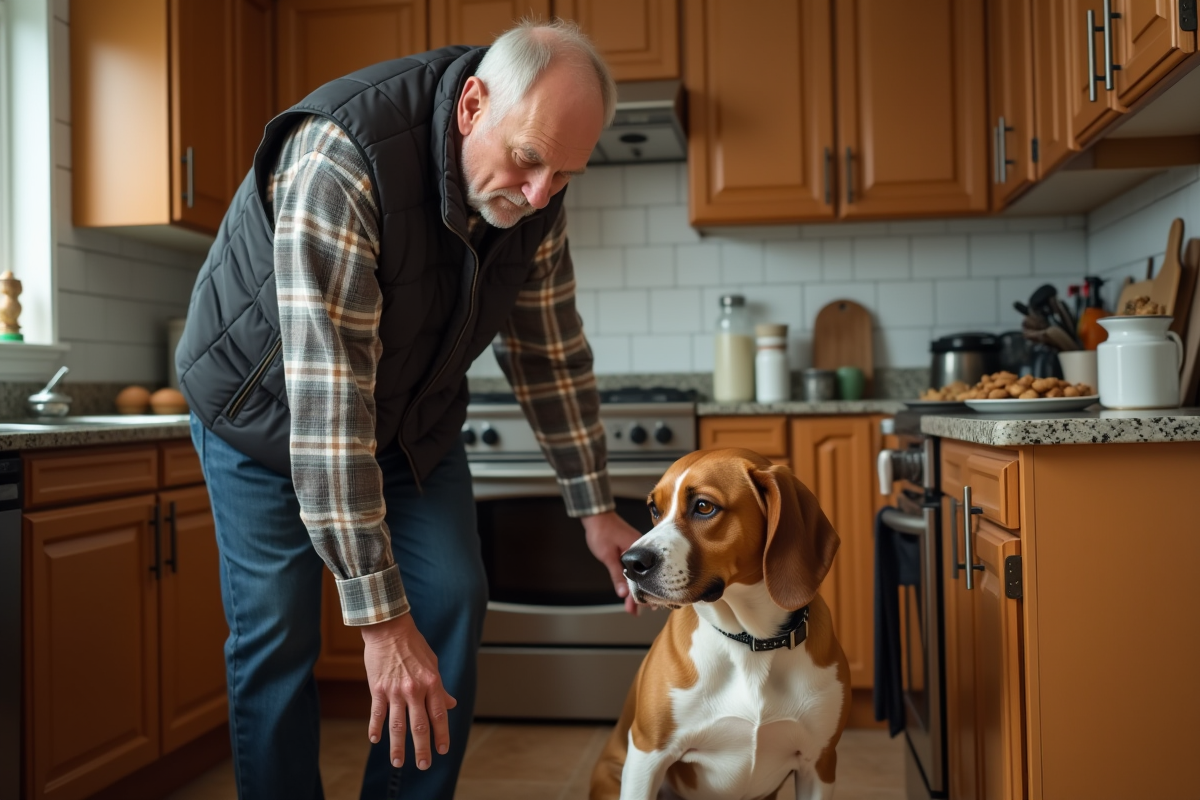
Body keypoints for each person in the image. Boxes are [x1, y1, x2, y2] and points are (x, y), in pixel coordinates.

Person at [174, 20, 641, 800]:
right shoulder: (341, 162)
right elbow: (327, 414)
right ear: (471, 107)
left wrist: (595, 506)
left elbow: (548, 350)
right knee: (278, 636)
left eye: (564, 176)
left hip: (408, 418)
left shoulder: (537, 198)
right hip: (263, 417)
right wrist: (382, 624)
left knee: (453, 596)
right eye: (529, 160)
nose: (539, 195)